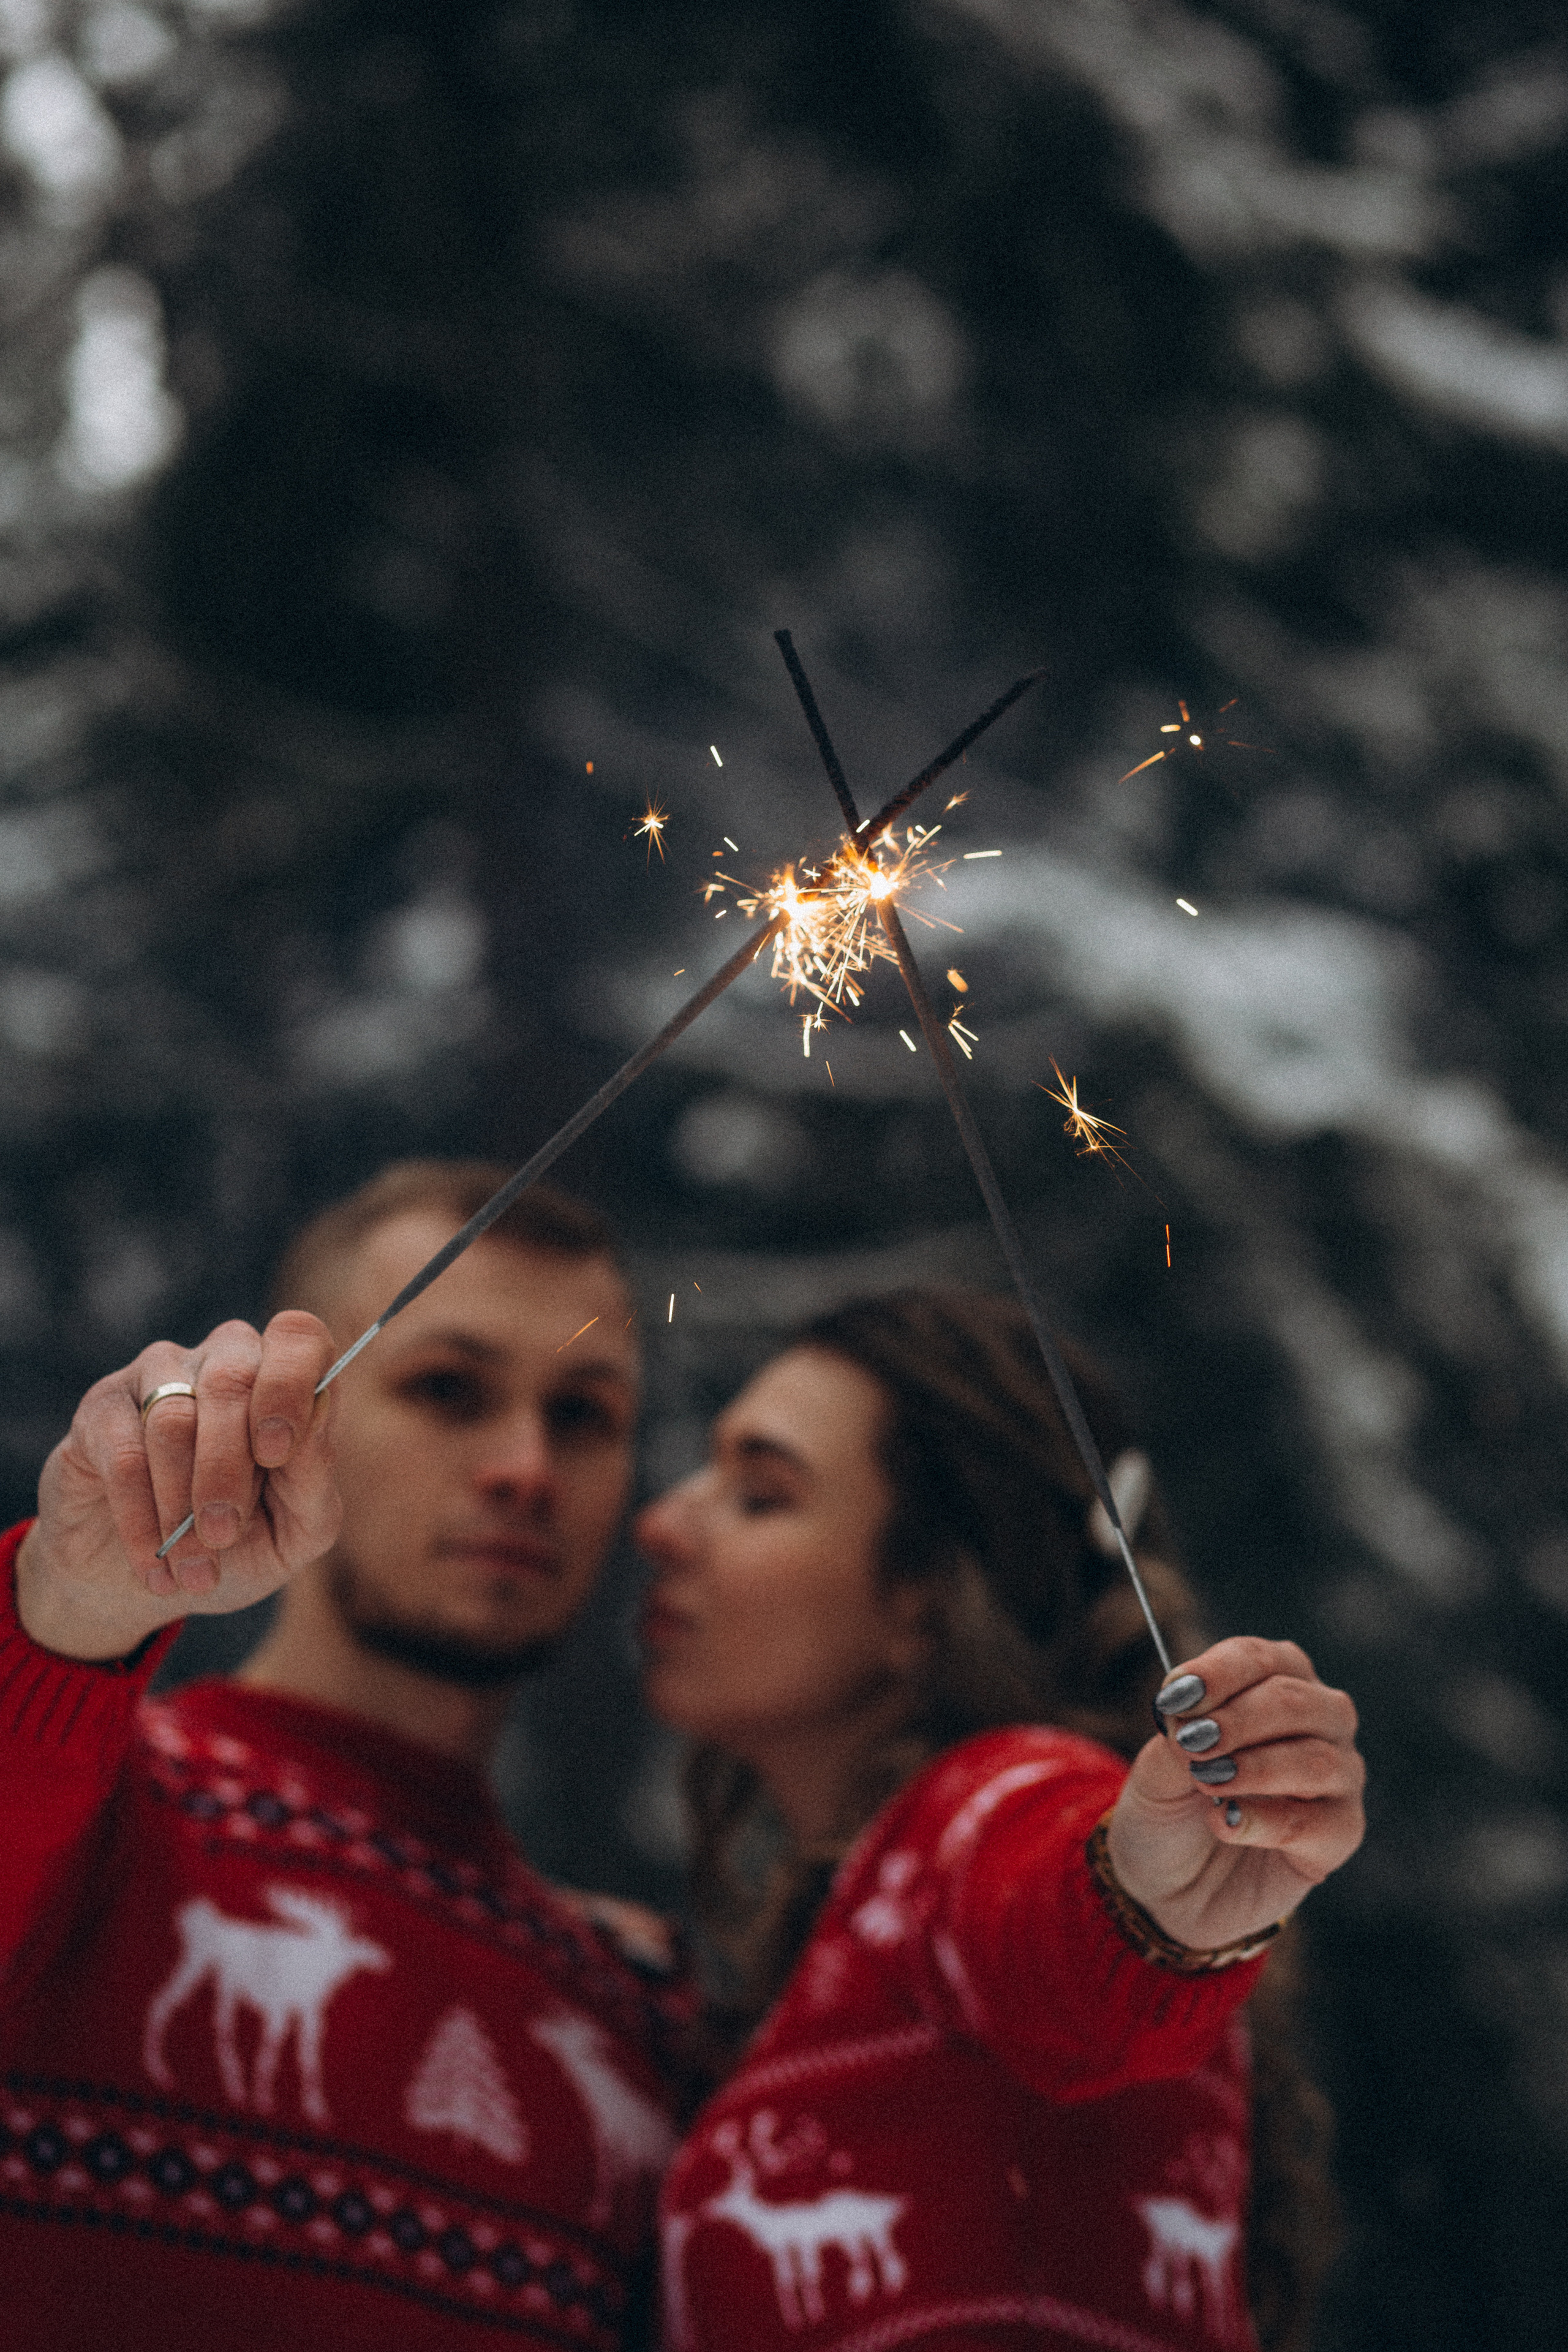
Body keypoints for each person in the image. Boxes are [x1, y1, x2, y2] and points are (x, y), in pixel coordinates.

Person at [0, 1161, 695, 2352]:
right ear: (298, 1411)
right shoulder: (95, 1809)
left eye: (582, 1414)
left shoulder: (640, 2010)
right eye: (447, 1389)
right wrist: (66, 1603)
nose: (526, 1465)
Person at [637, 1289, 1365, 2352]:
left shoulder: (982, 1804)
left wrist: (1146, 1901)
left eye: (760, 1493)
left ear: (921, 1598)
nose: (663, 1524)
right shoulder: (858, 1934)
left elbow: (1052, 1898)